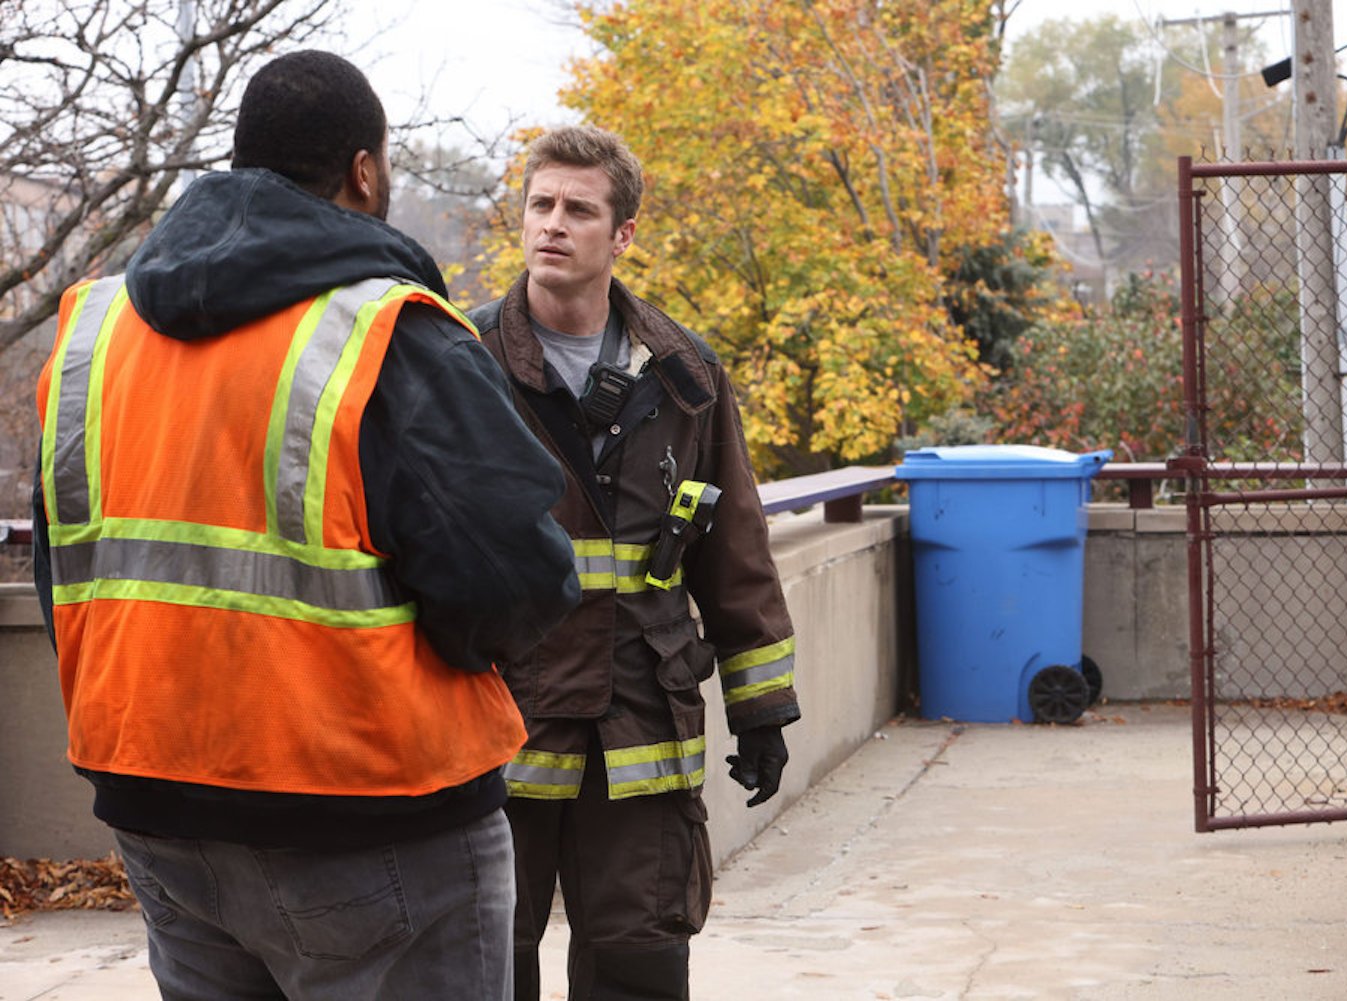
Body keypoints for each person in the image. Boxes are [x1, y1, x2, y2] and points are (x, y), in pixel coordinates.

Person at [31, 51, 580, 1000]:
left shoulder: (93, 329)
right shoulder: (389, 332)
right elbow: (517, 579)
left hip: (155, 805)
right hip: (373, 811)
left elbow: (65, 574)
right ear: (364, 172)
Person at [469, 125, 801, 1001]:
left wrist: (761, 708)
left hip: (641, 718)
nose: (553, 223)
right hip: (502, 712)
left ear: (622, 236)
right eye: (541, 204)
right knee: (481, 957)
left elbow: (735, 550)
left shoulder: (686, 375)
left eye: (579, 209)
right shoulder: (465, 364)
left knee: (639, 954)